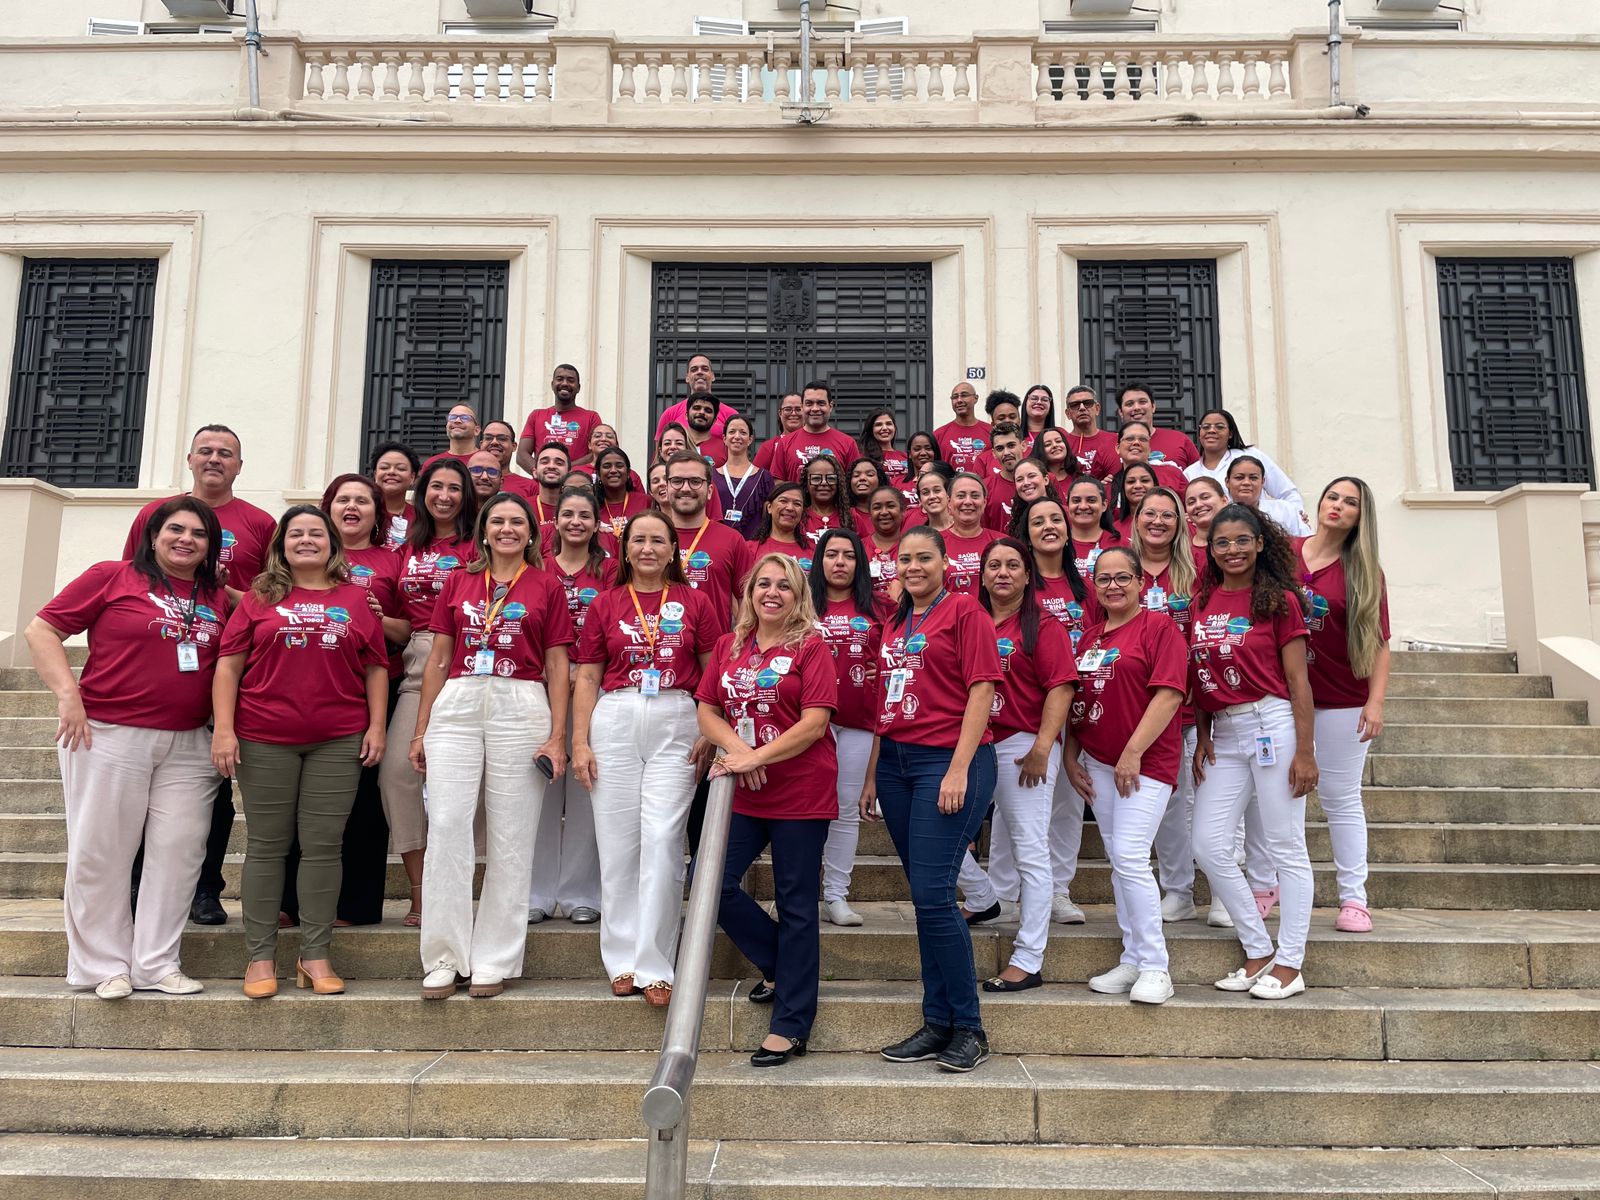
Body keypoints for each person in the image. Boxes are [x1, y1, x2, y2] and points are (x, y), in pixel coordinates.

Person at [28, 497, 228, 1000]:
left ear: (211, 546)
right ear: (152, 535)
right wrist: (67, 695)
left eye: (199, 533)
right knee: (102, 852)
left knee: (180, 853)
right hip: (108, 733)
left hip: (190, 742)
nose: (186, 539)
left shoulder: (217, 595)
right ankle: (103, 966)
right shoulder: (112, 576)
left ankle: (157, 964)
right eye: (175, 529)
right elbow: (42, 629)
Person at [213, 505, 388, 999]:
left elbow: (376, 666)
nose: (306, 540)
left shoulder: (355, 598)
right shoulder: (259, 597)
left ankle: (315, 955)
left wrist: (377, 726)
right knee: (267, 846)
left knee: (324, 847)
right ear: (282, 545)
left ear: (332, 544)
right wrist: (223, 730)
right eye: (296, 534)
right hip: (264, 736)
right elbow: (228, 665)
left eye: (316, 533)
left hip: (338, 738)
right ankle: (259, 957)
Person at [410, 492, 572, 999]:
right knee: (447, 826)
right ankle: (444, 956)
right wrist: (421, 729)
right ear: (483, 529)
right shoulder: (459, 580)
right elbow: (438, 659)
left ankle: (495, 958)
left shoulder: (547, 585)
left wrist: (558, 736)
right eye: (497, 520)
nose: (507, 529)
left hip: (520, 702)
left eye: (517, 522)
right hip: (458, 701)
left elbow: (558, 665)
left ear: (531, 533)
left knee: (512, 836)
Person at [122, 424, 278, 927]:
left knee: (213, 788)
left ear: (239, 466)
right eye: (205, 451)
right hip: (158, 663)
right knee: (146, 791)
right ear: (189, 459)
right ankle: (136, 883)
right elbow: (130, 581)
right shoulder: (156, 513)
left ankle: (205, 889)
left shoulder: (260, 523)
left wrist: (224, 591)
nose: (215, 459)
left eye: (225, 453)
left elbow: (273, 598)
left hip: (230, 667)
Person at [865, 527, 1002, 1074]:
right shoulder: (897, 619)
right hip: (896, 764)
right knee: (926, 898)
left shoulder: (966, 612)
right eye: (905, 559)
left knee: (934, 894)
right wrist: (874, 773)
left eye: (925, 557)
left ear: (946, 562)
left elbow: (983, 688)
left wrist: (958, 768)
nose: (914, 566)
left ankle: (970, 1028)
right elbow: (888, 698)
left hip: (946, 760)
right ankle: (936, 1021)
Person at [572, 512, 718, 1006]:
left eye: (658, 540)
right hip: (615, 717)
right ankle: (622, 960)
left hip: (676, 719)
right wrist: (579, 742)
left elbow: (712, 672)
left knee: (661, 840)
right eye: (639, 540)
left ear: (673, 549)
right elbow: (587, 676)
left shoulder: (695, 601)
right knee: (617, 846)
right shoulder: (606, 602)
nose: (648, 548)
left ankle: (656, 965)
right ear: (625, 549)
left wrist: (710, 729)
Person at [697, 554, 838, 1066]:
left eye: (784, 585)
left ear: (798, 595)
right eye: (763, 584)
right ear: (750, 592)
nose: (772, 593)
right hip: (747, 790)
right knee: (710, 882)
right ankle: (782, 963)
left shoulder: (812, 646)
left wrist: (755, 758)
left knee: (796, 903)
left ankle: (791, 1023)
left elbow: (815, 723)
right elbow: (707, 709)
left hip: (801, 790)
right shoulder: (729, 645)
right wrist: (742, 752)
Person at [1190, 504, 1318, 1000]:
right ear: (1211, 549)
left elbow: (1298, 682)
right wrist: (1204, 732)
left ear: (1260, 543)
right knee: (1207, 843)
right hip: (1225, 732)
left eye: (1242, 540)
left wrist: (1305, 751)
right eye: (1222, 542)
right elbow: (1200, 674)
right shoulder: (1203, 601)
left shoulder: (1279, 600)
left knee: (1286, 845)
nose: (1233, 550)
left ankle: (1291, 962)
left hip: (1273, 723)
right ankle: (1258, 948)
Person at [1065, 545, 1187, 1005]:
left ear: (1140, 582)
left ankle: (1157, 966)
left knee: (1132, 856)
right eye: (1104, 579)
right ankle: (1133, 957)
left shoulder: (1159, 628)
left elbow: (1169, 694)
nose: (1113, 586)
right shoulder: (1089, 638)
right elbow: (1078, 703)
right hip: (1099, 763)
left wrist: (1133, 752)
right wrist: (1072, 757)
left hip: (1145, 764)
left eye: (1122, 578)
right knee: (1120, 860)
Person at [955, 537, 1075, 992]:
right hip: (973, 743)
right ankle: (984, 896)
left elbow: (1061, 687)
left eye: (1012, 565)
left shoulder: (1042, 625)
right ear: (981, 575)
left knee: (1029, 849)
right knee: (941, 828)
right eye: (993, 566)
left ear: (1028, 576)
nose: (1002, 573)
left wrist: (1043, 746)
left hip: (1020, 744)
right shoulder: (971, 620)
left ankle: (1029, 957)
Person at [378, 458, 479, 928]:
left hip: (473, 659)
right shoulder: (406, 550)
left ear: (466, 496)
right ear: (422, 493)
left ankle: (468, 886)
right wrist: (374, 616)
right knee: (398, 775)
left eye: (454, 488)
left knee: (472, 782)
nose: (444, 495)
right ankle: (420, 890)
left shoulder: (478, 544)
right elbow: (402, 623)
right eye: (436, 486)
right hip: (420, 659)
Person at [1296, 476, 1391, 933]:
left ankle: (1354, 898)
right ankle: (1269, 884)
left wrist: (1375, 702)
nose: (1337, 506)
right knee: (1276, 796)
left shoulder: (1365, 570)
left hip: (1341, 698)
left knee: (1340, 798)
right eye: (1332, 497)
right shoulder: (1285, 553)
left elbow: (1380, 642)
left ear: (1360, 517)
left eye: (1349, 502)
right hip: (1284, 697)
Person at [322, 474, 411, 927]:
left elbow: (408, 628)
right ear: (329, 507)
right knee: (311, 797)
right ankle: (291, 901)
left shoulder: (393, 560)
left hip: (378, 684)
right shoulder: (305, 551)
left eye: (363, 500)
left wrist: (378, 617)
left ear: (379, 513)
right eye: (344, 499)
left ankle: (357, 905)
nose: (352, 507)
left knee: (365, 799)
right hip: (315, 686)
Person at [530, 486, 616, 926]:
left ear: (597, 523)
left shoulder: (610, 570)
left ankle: (582, 892)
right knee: (540, 790)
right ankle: (535, 892)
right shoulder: (536, 566)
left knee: (586, 785)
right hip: (541, 688)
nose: (576, 522)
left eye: (585, 515)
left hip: (592, 688)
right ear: (555, 520)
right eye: (568, 514)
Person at [1014, 494, 1099, 926]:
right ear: (1026, 534)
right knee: (1017, 806)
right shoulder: (1019, 583)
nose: (1048, 527)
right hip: (1027, 709)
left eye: (1055, 520)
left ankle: (1058, 889)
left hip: (1079, 708)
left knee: (1067, 803)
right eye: (1038, 521)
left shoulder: (1088, 589)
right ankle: (1007, 891)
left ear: (1068, 532)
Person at [810, 529, 886, 928]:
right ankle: (803, 890)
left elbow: (899, 654)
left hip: (859, 720)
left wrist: (882, 670)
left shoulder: (880, 607)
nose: (840, 562)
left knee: (844, 809)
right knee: (807, 808)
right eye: (831, 554)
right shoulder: (802, 603)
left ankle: (836, 894)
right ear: (819, 561)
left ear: (860, 563)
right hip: (808, 720)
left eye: (849, 555)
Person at [664, 451, 752, 627]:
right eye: (677, 481)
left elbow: (748, 598)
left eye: (695, 481)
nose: (686, 488)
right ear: (666, 488)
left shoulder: (732, 540)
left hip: (715, 643)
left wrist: (738, 638)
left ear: (710, 491)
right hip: (660, 640)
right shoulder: (651, 539)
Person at [1185, 407, 1308, 529]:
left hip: (1259, 529)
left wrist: (1297, 517)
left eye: (1219, 427)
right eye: (1206, 427)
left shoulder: (1251, 456)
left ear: (1230, 433)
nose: (1211, 430)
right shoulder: (1189, 473)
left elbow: (1287, 491)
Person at [518, 363, 601, 472]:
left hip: (578, 480)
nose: (565, 383)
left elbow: (596, 453)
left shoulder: (592, 417)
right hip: (543, 481)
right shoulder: (536, 415)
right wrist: (542, 473)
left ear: (578, 388)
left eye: (570, 380)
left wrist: (565, 471)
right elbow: (522, 455)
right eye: (560, 379)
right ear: (552, 385)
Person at [770, 381, 859, 483]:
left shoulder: (848, 443)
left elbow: (854, 481)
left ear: (830, 406)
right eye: (809, 403)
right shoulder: (784, 443)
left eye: (821, 403)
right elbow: (777, 482)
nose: (815, 408)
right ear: (802, 407)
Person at [714, 414, 774, 540]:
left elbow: (769, 518)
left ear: (750, 439)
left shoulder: (764, 477)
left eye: (743, 432)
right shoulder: (712, 476)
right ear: (724, 438)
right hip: (718, 541)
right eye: (732, 432)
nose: (737, 436)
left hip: (753, 544)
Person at [656, 353, 740, 440]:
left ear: (713, 376)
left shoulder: (730, 415)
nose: (699, 372)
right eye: (694, 369)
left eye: (705, 369)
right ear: (687, 377)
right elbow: (660, 447)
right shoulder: (670, 414)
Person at [940, 473, 998, 595]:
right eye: (961, 496)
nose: (968, 501)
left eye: (975, 496)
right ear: (949, 503)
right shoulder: (934, 542)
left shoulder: (1001, 542)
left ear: (984, 503)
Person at [1117, 384, 1199, 471]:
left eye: (1142, 402)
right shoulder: (1110, 444)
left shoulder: (1180, 440)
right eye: (1129, 404)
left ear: (1153, 407)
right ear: (1120, 412)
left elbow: (1200, 475)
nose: (1136, 407)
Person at [1227, 454, 1309, 535]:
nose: (1246, 482)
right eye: (1239, 477)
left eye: (1253, 478)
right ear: (1227, 482)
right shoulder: (1222, 514)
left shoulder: (1285, 510)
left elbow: (1306, 539)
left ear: (1263, 482)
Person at [369, 440, 421, 550]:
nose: (391, 472)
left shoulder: (422, 518)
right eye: (384, 467)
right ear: (375, 475)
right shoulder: (364, 513)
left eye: (400, 468)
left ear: (412, 477)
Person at [749, 482, 813, 570]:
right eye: (783, 501)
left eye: (797, 504)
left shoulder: (814, 549)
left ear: (802, 512)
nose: (790, 508)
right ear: (769, 507)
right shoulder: (750, 549)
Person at [1113, 422, 1188, 496]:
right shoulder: (1111, 484)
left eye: (1143, 439)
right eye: (1129, 439)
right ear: (1118, 448)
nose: (1136, 442)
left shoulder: (1172, 475)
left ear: (1149, 449)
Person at [1061, 387, 1119, 480]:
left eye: (1087, 403)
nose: (1082, 408)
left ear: (1097, 408)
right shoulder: (1061, 444)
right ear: (1068, 413)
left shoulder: (1115, 440)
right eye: (1075, 405)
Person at [933, 380, 991, 473]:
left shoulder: (990, 432)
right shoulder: (938, 434)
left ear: (976, 398)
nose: (959, 400)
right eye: (955, 397)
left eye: (964, 395)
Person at [594, 446, 651, 539]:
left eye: (619, 466)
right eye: (607, 466)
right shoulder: (592, 506)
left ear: (628, 473)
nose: (613, 470)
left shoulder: (646, 501)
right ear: (598, 475)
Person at [799, 454, 853, 547]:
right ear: (806, 485)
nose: (824, 483)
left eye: (830, 478)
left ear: (838, 484)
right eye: (816, 478)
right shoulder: (799, 518)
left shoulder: (851, 516)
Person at [863, 485, 904, 605]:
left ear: (902, 511)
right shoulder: (859, 548)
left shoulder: (913, 547)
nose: (884, 512)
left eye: (890, 506)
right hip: (868, 612)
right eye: (877, 507)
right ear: (870, 514)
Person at [981, 424, 1024, 531]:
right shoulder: (985, 487)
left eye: (1011, 445)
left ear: (1023, 446)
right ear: (994, 453)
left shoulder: (1043, 480)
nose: (1006, 453)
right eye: (1000, 448)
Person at [1184, 476, 1229, 574]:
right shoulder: (1182, 550)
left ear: (1225, 500)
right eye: (1191, 502)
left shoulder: (1239, 542)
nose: (1198, 505)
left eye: (1205, 497)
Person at [478, 420, 535, 497]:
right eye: (488, 438)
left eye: (502, 439)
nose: (494, 442)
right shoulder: (468, 482)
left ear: (514, 446)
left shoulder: (531, 487)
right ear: (481, 445)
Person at [1108, 462, 1160, 542]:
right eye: (1131, 481)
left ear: (1155, 485)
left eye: (1145, 480)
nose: (1138, 486)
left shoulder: (1169, 525)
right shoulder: (1113, 531)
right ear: (1123, 488)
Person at [753, 393, 805, 473]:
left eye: (798, 409)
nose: (793, 413)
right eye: (788, 409)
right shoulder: (769, 447)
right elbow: (755, 478)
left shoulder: (814, 443)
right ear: (780, 413)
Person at [529, 441, 572, 534]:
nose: (551, 466)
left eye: (559, 463)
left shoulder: (578, 508)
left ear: (569, 475)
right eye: (545, 462)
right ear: (535, 472)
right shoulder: (523, 507)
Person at [1004, 459, 1054, 539]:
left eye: (1032, 476)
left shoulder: (1066, 514)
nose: (1026, 483)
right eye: (1019, 479)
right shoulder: (1015, 525)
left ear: (1046, 480)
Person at [859, 407, 910, 484]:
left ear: (894, 427)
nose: (885, 428)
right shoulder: (863, 457)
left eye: (889, 423)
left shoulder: (906, 457)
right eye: (878, 425)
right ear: (871, 429)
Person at [423, 404, 480, 471]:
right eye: (452, 417)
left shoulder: (487, 461)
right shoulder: (431, 464)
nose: (457, 421)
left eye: (465, 418)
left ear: (476, 430)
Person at [1028, 427, 1076, 495]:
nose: (1055, 445)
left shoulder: (1079, 478)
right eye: (1048, 444)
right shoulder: (1035, 483)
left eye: (1058, 441)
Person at [683, 394, 728, 467]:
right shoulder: (674, 444)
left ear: (714, 420)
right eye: (696, 408)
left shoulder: (726, 448)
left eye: (708, 410)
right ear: (686, 415)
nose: (702, 412)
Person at [847, 458, 890, 530]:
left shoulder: (890, 514)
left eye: (870, 475)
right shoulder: (843, 514)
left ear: (880, 479)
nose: (862, 478)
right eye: (856, 475)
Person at [909, 466, 955, 533]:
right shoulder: (919, 536)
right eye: (925, 493)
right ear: (920, 500)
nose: (932, 496)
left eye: (937, 490)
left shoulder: (966, 526)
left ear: (948, 494)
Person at [1020, 383, 1056, 452]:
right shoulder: (1014, 435)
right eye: (1034, 398)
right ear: (1025, 404)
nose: (1039, 402)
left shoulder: (1060, 434)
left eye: (1045, 400)